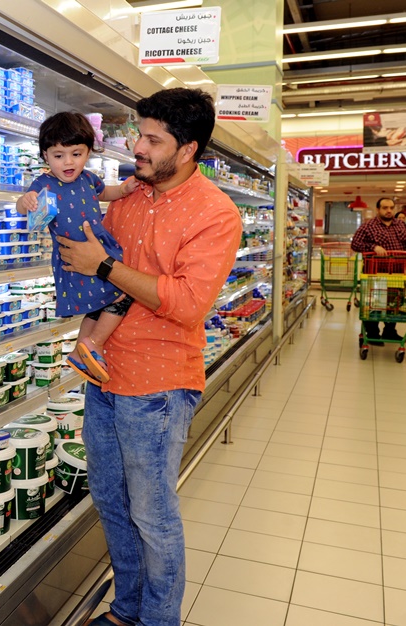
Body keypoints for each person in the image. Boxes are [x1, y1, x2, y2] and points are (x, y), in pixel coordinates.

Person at [55, 88, 242, 626]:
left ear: (187, 149)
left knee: (153, 516)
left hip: (157, 387)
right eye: (139, 133)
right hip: (105, 373)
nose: (138, 146)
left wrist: (104, 268)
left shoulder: (216, 213)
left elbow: (185, 303)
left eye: (152, 139)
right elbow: (92, 263)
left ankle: (159, 620)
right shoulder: (131, 197)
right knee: (112, 504)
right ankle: (126, 609)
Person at [15, 112, 138, 385]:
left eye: (76, 153)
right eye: (59, 155)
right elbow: (21, 206)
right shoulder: (43, 184)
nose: (68, 162)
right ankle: (93, 344)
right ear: (45, 156)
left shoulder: (89, 179)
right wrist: (27, 201)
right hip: (73, 257)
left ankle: (82, 349)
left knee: (101, 302)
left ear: (88, 152)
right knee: (122, 293)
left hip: (99, 250)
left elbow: (106, 193)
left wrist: (125, 189)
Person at [350, 196, 406, 342]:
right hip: (374, 272)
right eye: (385, 208)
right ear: (378, 209)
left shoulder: (401, 225)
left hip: (397, 273)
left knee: (394, 303)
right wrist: (373, 247)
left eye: (391, 208)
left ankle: (390, 331)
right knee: (374, 303)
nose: (389, 211)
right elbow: (355, 244)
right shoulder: (368, 226)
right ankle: (372, 333)